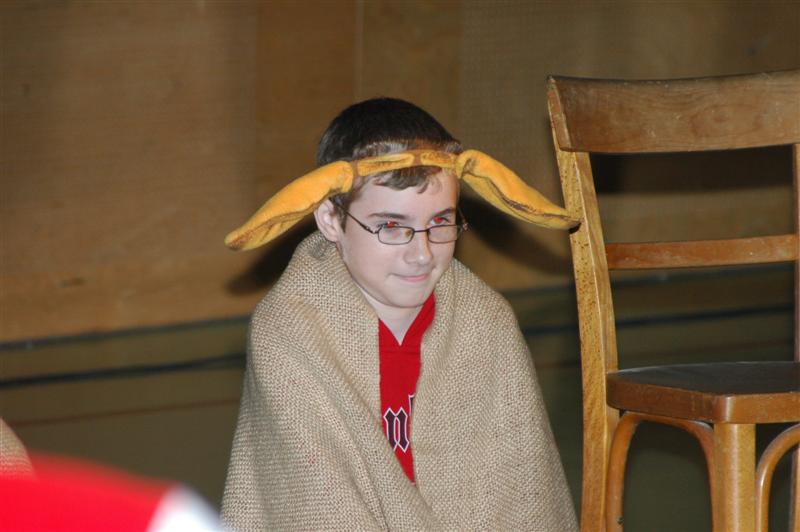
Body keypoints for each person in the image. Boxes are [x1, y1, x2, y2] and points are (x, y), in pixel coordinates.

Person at [221, 97, 579, 530]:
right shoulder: (290, 330)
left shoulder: (485, 322)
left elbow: (521, 497)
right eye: (392, 226)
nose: (422, 253)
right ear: (331, 220)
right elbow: (318, 505)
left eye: (441, 222)